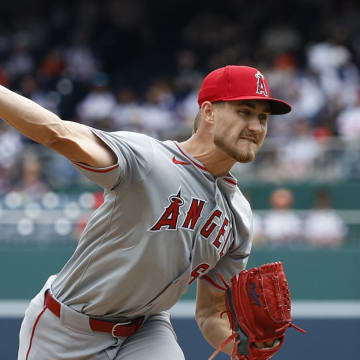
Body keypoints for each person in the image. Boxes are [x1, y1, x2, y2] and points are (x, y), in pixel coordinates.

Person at [0, 65, 291, 359]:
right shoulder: (149, 160)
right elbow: (57, 133)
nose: (256, 127)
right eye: (245, 112)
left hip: (145, 330)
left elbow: (211, 314)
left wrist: (244, 348)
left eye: (263, 117)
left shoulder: (238, 215)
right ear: (209, 111)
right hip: (66, 329)